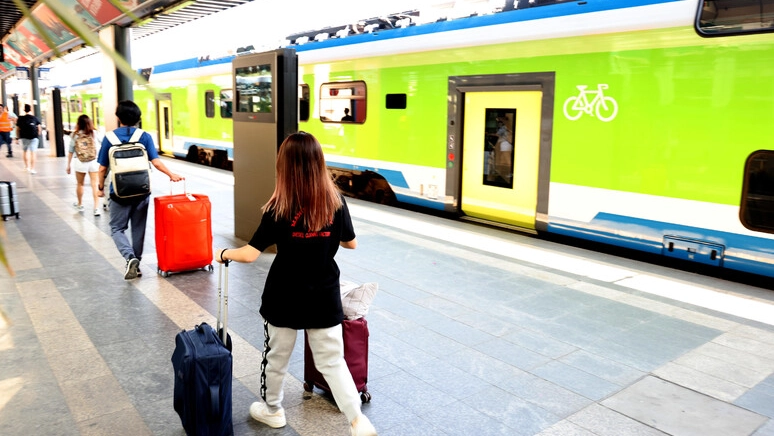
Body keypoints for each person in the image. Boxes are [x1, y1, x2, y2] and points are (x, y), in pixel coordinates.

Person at [215, 132, 377, 436]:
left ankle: (273, 410)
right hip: (324, 294)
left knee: (276, 357)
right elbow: (351, 243)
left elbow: (250, 255)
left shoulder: (279, 206)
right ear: (319, 162)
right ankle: (357, 420)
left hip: (284, 294)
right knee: (332, 361)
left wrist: (224, 253)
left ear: (283, 165)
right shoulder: (335, 201)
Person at [97, 100, 183, 280]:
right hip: (142, 190)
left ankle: (129, 258)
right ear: (138, 118)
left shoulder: (109, 138)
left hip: (119, 192)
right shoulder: (144, 136)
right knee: (138, 229)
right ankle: (136, 263)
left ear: (118, 117)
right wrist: (171, 174)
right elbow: (156, 161)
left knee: (116, 228)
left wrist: (99, 188)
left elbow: (102, 168)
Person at [66, 114, 103, 216]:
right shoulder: (95, 133)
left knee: (80, 184)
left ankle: (80, 204)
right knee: (94, 184)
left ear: (78, 124)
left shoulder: (75, 135)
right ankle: (96, 208)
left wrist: (68, 165)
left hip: (80, 162)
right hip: (93, 161)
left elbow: (70, 151)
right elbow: (103, 144)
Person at [16, 104, 42, 173]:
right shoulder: (34, 118)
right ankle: (32, 169)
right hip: (34, 137)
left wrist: (17, 138)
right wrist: (37, 136)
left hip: (24, 137)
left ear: (24, 110)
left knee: (25, 151)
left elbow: (18, 129)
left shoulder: (21, 118)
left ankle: (27, 167)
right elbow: (39, 128)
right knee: (33, 153)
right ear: (30, 109)